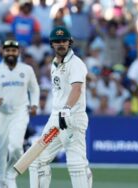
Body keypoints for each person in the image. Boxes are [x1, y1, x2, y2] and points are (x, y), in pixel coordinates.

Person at [29, 26, 93, 188]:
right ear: (51, 44)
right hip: (55, 118)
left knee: (76, 164)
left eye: (64, 41)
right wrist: (61, 111)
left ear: (69, 42)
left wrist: (67, 108)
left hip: (72, 117)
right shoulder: (54, 64)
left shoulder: (76, 63)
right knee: (37, 159)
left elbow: (76, 89)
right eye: (57, 42)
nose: (61, 44)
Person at [0, 39, 40, 188]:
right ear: (3, 52)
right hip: (0, 114)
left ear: (18, 52)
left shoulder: (27, 70)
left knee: (16, 147)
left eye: (13, 50)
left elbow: (34, 88)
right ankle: (1, 184)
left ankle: (10, 176)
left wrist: (34, 105)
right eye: (8, 50)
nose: (10, 53)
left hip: (20, 112)